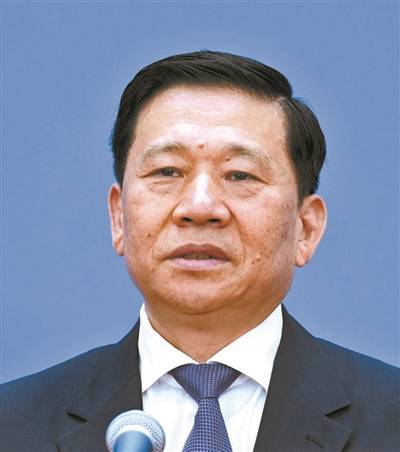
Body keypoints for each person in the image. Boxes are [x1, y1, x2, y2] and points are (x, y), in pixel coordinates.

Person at [0, 50, 398, 452]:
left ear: (306, 228)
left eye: (240, 175)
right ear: (119, 218)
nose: (200, 206)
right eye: (167, 171)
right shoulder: (13, 424)